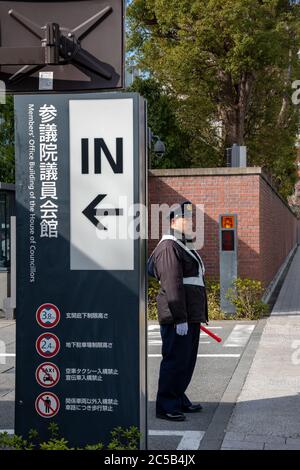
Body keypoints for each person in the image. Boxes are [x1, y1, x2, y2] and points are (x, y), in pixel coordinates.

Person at [150, 200, 208, 421]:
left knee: (186, 361)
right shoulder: (168, 247)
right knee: (175, 360)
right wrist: (180, 317)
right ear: (174, 221)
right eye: (187, 219)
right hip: (178, 318)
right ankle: (166, 405)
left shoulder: (182, 245)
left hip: (189, 316)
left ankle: (178, 398)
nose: (191, 223)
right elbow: (172, 285)